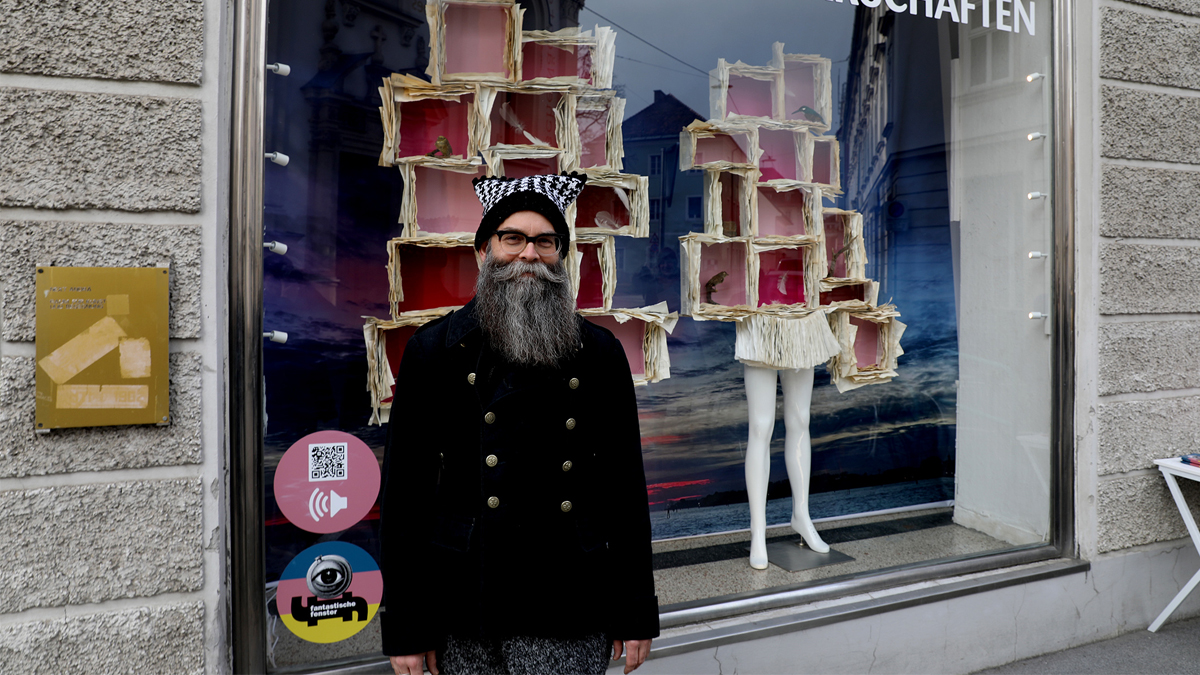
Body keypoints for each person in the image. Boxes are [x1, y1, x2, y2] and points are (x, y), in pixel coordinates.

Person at [380, 173, 658, 675]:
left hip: (569, 594)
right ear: (483, 251)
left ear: (561, 256)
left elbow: (624, 490)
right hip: (464, 597)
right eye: (513, 238)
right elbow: (406, 498)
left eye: (545, 241)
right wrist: (406, 626)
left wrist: (635, 610)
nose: (529, 254)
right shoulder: (433, 352)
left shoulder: (599, 354)